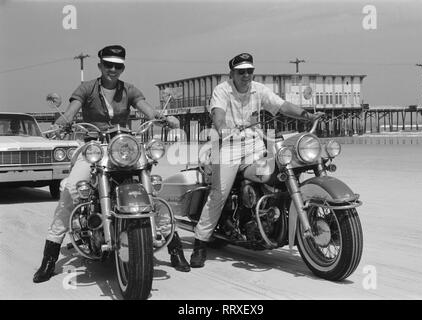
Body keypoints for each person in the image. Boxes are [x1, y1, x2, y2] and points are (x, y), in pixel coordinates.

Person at [33, 45, 190, 283]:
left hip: (123, 147)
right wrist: (62, 123)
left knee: (153, 195)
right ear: (100, 66)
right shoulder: (87, 88)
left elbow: (147, 110)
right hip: (95, 147)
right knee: (71, 190)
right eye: (108, 65)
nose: (113, 69)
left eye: (118, 65)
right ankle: (49, 258)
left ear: (122, 67)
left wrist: (162, 118)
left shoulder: (129, 89)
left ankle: (175, 248)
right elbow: (71, 111)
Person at [190, 53, 323, 268]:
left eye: (249, 70)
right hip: (228, 145)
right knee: (219, 193)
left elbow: (282, 105)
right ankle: (200, 243)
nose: (246, 75)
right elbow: (218, 114)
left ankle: (269, 215)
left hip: (254, 143)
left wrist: (307, 116)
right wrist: (222, 127)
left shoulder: (258, 89)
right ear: (232, 73)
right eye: (241, 71)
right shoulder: (222, 90)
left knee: (278, 170)